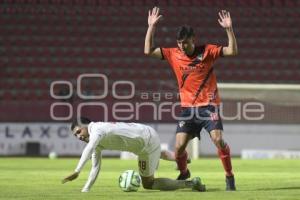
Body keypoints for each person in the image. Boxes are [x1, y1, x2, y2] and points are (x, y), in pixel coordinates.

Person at [144, 7, 238, 191]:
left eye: (185, 43)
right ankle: (185, 172)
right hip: (187, 109)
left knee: (218, 140)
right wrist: (151, 27)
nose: (182, 46)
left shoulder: (208, 51)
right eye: (179, 43)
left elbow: (232, 51)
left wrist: (229, 29)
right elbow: (148, 50)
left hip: (209, 107)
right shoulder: (173, 54)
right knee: (178, 148)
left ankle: (229, 176)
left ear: (193, 40)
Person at [62, 117, 205, 192]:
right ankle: (181, 157)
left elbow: (89, 148)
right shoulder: (96, 139)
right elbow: (95, 167)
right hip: (147, 135)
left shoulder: (97, 129)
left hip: (145, 143)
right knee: (155, 153)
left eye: (79, 132)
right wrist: (85, 190)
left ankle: (190, 183)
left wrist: (77, 171)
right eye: (76, 136)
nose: (79, 137)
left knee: (148, 184)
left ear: (87, 125)